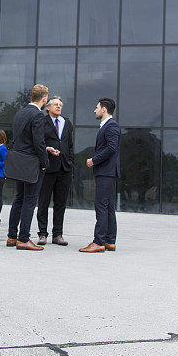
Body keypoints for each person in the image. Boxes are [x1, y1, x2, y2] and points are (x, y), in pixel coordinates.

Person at [7, 84, 50, 250]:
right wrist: (45, 162)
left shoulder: (20, 113)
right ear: (44, 98)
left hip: (19, 162)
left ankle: (12, 236)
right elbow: (39, 142)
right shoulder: (38, 115)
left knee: (19, 198)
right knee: (30, 200)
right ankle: (23, 238)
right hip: (32, 163)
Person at [80, 98, 121, 253]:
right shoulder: (107, 126)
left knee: (101, 206)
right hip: (106, 172)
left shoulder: (111, 126)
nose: (94, 110)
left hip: (106, 172)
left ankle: (99, 241)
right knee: (108, 206)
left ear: (104, 109)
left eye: (96, 107)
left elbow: (111, 148)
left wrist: (93, 160)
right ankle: (109, 241)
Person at [36, 96, 73, 246]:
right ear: (48, 107)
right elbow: (39, 142)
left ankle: (57, 234)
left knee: (60, 203)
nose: (58, 107)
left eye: (60, 105)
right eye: (55, 105)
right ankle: (42, 233)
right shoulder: (42, 122)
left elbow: (69, 144)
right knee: (43, 201)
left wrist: (70, 161)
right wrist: (46, 151)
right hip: (48, 167)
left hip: (64, 168)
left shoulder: (67, 123)